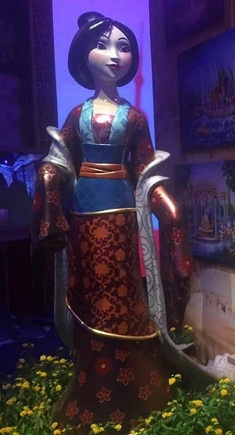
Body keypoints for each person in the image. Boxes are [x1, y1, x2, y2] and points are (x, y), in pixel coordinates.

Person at [33, 11, 194, 431]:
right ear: (83, 54)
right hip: (86, 219)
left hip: (124, 218)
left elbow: (145, 170)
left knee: (127, 295)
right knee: (95, 297)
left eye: (123, 47)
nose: (113, 55)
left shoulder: (135, 118)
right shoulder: (77, 115)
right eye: (103, 45)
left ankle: (141, 388)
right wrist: (49, 182)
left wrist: (168, 209)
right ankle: (92, 392)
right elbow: (60, 162)